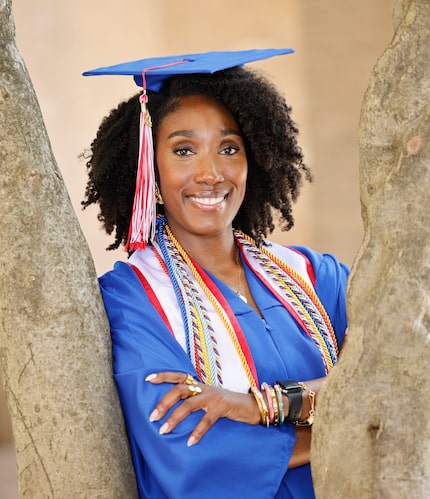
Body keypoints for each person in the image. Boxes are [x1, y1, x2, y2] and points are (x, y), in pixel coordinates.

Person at [82, 49, 348, 498]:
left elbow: (401, 374)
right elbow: (188, 446)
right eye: (184, 150)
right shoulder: (132, 299)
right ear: (148, 168)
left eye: (229, 148)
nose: (210, 173)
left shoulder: (315, 276)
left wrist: (258, 407)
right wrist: (350, 420)